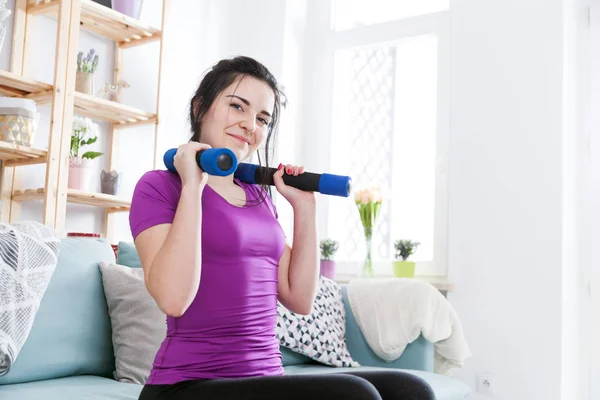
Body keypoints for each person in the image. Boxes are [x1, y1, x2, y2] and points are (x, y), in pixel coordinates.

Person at [130, 56, 436, 400]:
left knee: (411, 391)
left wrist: (305, 209)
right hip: (186, 384)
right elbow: (173, 299)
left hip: (266, 379)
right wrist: (192, 185)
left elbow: (300, 298)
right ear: (200, 107)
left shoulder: (259, 196)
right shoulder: (159, 187)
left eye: (262, 118)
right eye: (237, 107)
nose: (250, 125)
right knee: (354, 395)